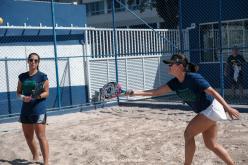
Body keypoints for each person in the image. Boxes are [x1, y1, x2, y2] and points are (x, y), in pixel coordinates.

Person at [126, 54, 240, 165]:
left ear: (180, 66)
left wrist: (228, 108)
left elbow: (213, 92)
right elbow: (155, 92)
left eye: (171, 64)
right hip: (206, 111)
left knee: (188, 134)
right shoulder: (174, 83)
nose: (169, 66)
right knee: (211, 144)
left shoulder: (193, 78)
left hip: (211, 108)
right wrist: (134, 93)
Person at [17, 53, 49, 165]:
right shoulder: (22, 76)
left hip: (38, 109)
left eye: (36, 60)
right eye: (31, 60)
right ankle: (35, 155)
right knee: (28, 136)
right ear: (28, 61)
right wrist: (23, 97)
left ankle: (46, 162)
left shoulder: (42, 76)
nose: (33, 62)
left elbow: (46, 93)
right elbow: (18, 93)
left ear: (38, 62)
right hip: (25, 110)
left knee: (41, 136)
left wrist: (38, 96)